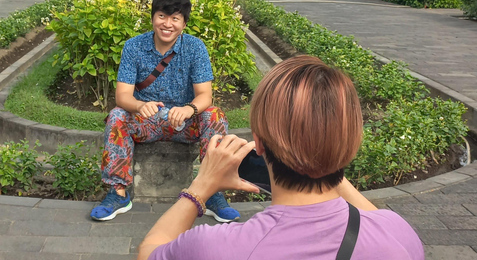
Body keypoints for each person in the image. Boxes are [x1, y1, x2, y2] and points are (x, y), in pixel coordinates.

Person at [137, 56, 425, 260]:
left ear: (258, 143)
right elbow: (374, 218)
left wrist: (201, 187)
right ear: (351, 142)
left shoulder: (214, 247)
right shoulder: (398, 234)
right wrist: (327, 152)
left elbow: (150, 250)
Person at [91, 0, 239, 223]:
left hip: (185, 122)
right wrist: (139, 106)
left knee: (214, 115)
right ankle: (118, 193)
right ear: (152, 18)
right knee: (118, 115)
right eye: (162, 16)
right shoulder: (133, 47)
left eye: (175, 18)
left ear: (184, 23)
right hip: (146, 122)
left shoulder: (195, 48)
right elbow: (123, 96)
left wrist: (189, 109)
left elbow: (204, 95)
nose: (167, 24)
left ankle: (212, 193)